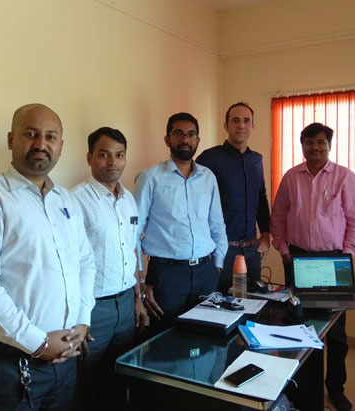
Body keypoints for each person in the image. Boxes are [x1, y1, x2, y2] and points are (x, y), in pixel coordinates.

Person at [0, 104, 96, 410]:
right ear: (11, 139)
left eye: (50, 137)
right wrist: (39, 342)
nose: (41, 144)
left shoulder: (65, 200)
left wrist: (82, 320)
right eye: (31, 134)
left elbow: (85, 263)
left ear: (60, 146)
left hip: (65, 362)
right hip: (10, 367)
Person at [270, 122, 355, 411]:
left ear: (329, 146)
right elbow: (279, 217)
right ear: (302, 145)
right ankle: (301, 389)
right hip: (297, 259)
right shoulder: (290, 177)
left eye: (321, 143)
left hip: (334, 261)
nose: (315, 148)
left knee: (335, 332)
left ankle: (335, 388)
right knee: (298, 326)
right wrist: (285, 252)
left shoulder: (344, 177)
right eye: (309, 142)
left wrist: (346, 256)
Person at [71, 127, 148, 410]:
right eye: (104, 155)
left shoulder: (128, 198)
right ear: (90, 157)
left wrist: (138, 298)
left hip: (126, 304)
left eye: (119, 155)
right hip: (93, 310)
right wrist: (77, 317)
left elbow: (133, 250)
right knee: (87, 385)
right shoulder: (74, 200)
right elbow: (69, 262)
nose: (112, 162)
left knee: (118, 380)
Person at [134, 112, 228, 331]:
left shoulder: (208, 177)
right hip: (166, 276)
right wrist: (140, 281)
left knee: (206, 337)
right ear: (167, 139)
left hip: (206, 272)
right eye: (178, 134)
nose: (185, 139)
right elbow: (133, 232)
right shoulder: (150, 178)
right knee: (166, 341)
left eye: (191, 134)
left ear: (197, 140)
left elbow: (217, 225)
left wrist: (218, 266)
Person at [196, 102, 270, 293]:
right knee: (219, 308)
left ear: (253, 126)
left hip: (252, 251)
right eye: (235, 121)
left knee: (253, 304)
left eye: (247, 121)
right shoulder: (209, 158)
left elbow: (261, 198)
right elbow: (195, 202)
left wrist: (266, 235)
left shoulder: (256, 160)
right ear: (226, 126)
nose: (241, 126)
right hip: (221, 250)